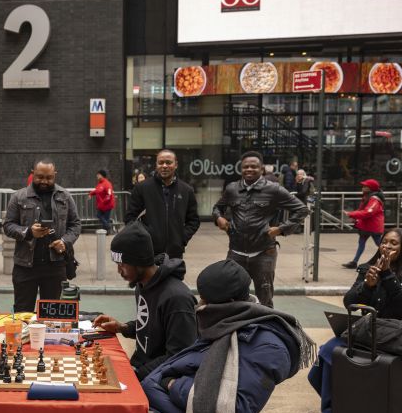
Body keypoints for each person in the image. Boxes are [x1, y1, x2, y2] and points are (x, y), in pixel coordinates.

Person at [142, 259, 315, 413]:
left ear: (230, 303)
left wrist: (172, 385)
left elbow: (233, 408)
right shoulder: (228, 322)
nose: (200, 306)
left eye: (206, 301)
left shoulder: (266, 346)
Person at [308, 228, 402, 413]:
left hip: (400, 337)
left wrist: (388, 276)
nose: (387, 246)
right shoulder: (368, 268)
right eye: (385, 241)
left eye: (394, 243)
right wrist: (368, 285)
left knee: (381, 363)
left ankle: (381, 410)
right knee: (329, 351)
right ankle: (332, 409)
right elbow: (349, 302)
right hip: (371, 332)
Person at [92, 223, 196, 380]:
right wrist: (122, 327)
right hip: (142, 369)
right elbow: (150, 326)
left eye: (122, 264)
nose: (119, 271)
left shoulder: (177, 299)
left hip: (160, 380)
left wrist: (136, 375)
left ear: (139, 262)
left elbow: (180, 355)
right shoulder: (142, 284)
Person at [212, 151, 308, 308]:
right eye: (246, 166)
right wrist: (219, 218)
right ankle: (237, 330)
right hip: (236, 252)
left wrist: (281, 229)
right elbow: (217, 208)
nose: (249, 169)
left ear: (261, 168)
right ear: (241, 169)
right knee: (231, 296)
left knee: (264, 299)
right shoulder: (232, 189)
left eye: (254, 166)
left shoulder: (274, 190)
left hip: (263, 253)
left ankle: (265, 329)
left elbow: (302, 209)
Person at [3, 159, 81, 313]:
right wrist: (28, 232)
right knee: (22, 314)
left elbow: (75, 224)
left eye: (49, 177)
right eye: (40, 177)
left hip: (56, 266)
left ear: (55, 175)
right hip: (25, 266)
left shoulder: (65, 196)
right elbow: (8, 225)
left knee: (51, 317)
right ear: (33, 174)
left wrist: (65, 242)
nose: (44, 181)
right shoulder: (19, 197)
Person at [124, 149, 200, 262]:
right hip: (149, 253)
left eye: (168, 162)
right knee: (149, 280)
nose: (164, 166)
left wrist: (181, 239)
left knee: (174, 280)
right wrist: (144, 237)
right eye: (161, 162)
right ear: (156, 165)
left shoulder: (186, 190)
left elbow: (193, 221)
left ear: (176, 165)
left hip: (175, 255)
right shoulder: (142, 188)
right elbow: (129, 218)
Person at [341, 178, 385, 269]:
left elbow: (368, 212)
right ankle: (354, 262)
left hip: (373, 227)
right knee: (362, 243)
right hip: (367, 226)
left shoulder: (374, 199)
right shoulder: (367, 197)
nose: (363, 187)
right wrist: (354, 216)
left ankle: (393, 259)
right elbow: (362, 210)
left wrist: (351, 214)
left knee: (380, 245)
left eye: (365, 186)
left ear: (370, 188)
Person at [88, 169, 116, 234]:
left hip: (107, 205)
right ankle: (107, 229)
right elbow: (97, 191)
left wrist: (103, 202)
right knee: (101, 217)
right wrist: (91, 194)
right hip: (101, 205)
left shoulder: (107, 184)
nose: (97, 176)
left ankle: (107, 230)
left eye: (98, 174)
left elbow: (109, 194)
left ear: (102, 175)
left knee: (105, 219)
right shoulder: (99, 184)